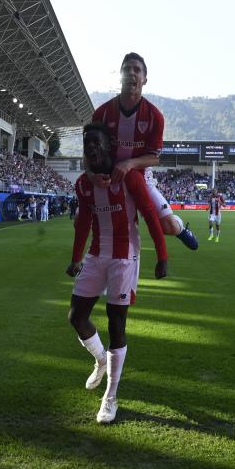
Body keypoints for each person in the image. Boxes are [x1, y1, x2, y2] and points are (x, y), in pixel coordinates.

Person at [67, 123, 169, 424]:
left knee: (116, 324)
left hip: (124, 257)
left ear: (109, 146)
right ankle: (100, 360)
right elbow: (84, 220)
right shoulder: (84, 184)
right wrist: (75, 258)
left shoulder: (129, 178)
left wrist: (162, 256)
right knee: (76, 317)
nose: (92, 148)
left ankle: (110, 397)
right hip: (97, 254)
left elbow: (150, 216)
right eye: (87, 144)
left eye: (97, 142)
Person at [90, 52, 197, 250]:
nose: (131, 73)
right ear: (120, 76)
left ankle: (181, 229)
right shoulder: (102, 113)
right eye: (126, 69)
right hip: (108, 178)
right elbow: (88, 153)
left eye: (136, 70)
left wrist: (129, 164)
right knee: (82, 217)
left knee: (169, 226)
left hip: (142, 178)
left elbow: (155, 159)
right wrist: (91, 174)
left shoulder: (155, 116)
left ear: (144, 79)